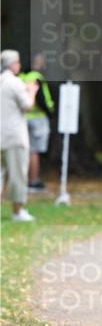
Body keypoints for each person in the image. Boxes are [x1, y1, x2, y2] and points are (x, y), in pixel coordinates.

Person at [1, 49, 38, 221]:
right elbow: (27, 105)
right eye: (18, 63)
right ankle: (17, 211)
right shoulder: (15, 83)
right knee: (17, 174)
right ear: (13, 64)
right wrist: (32, 91)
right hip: (14, 136)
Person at [21, 52, 54, 191]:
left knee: (24, 150)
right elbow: (40, 99)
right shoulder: (36, 78)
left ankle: (22, 179)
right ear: (37, 62)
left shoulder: (21, 77)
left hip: (23, 118)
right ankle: (33, 180)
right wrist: (50, 111)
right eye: (42, 61)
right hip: (37, 118)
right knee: (34, 150)